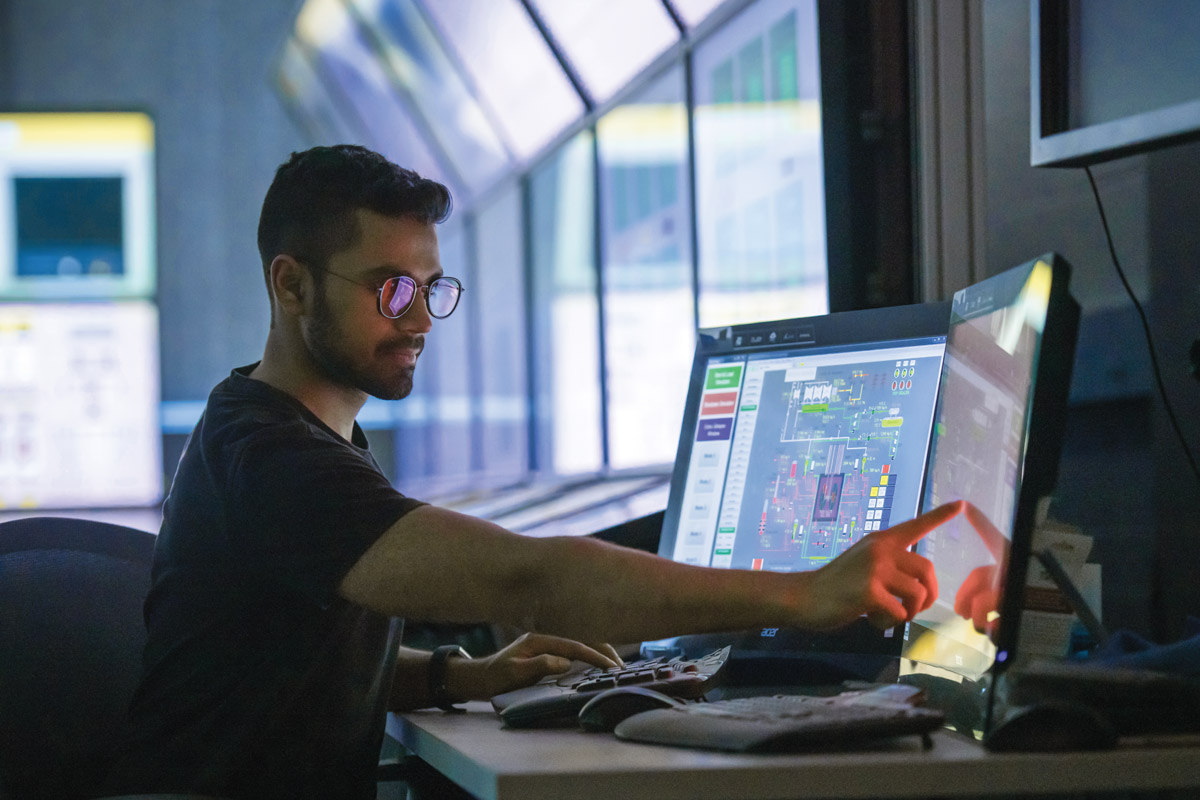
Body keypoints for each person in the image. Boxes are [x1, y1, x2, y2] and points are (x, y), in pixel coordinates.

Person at [107, 144, 959, 799]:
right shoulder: (275, 461)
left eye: (432, 288)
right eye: (389, 290)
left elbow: (273, 661)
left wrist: (459, 676)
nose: (420, 320)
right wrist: (802, 594)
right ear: (290, 287)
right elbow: (526, 576)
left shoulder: (294, 435)